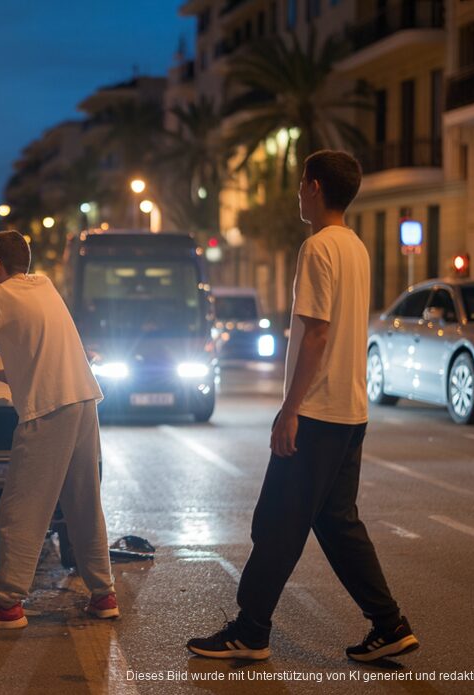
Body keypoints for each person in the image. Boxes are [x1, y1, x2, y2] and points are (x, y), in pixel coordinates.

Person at [187, 151, 418, 662]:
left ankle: (250, 630)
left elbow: (317, 333)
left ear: (314, 187)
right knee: (337, 523)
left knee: (276, 522)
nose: (297, 192)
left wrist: (290, 408)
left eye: (299, 185)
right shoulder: (355, 247)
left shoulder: (318, 248)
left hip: (317, 412)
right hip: (350, 412)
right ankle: (389, 623)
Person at [0, 230, 117, 629]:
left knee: (22, 507)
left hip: (49, 411)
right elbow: (42, 355)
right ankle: (104, 594)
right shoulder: (44, 287)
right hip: (82, 400)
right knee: (83, 502)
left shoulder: (0, 297)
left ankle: (6, 605)